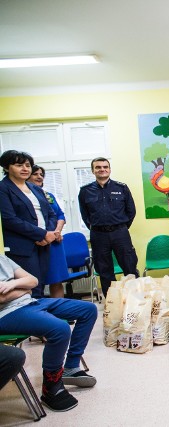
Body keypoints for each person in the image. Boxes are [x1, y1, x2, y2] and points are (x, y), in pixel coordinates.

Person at [0, 254, 98, 412]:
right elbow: (3, 298)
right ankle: (51, 389)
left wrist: (14, 285)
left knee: (88, 310)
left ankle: (71, 367)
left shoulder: (2, 258)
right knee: (59, 329)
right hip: (6, 314)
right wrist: (23, 290)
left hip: (31, 302)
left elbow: (33, 281)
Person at [0, 150, 57, 298]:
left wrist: (49, 234)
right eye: (19, 165)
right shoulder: (3, 188)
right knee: (31, 288)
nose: (25, 169)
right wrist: (42, 234)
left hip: (44, 243)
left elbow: (50, 214)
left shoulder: (35, 188)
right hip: (22, 246)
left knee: (41, 283)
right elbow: (9, 219)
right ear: (6, 167)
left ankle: (42, 317)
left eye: (27, 165)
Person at [78, 157, 139, 297]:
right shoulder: (85, 191)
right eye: (98, 167)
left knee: (129, 266)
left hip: (120, 233)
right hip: (98, 235)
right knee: (104, 270)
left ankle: (135, 300)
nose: (102, 169)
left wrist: (121, 226)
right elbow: (85, 215)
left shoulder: (121, 188)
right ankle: (111, 303)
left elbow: (131, 211)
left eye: (105, 167)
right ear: (93, 171)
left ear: (110, 169)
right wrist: (96, 228)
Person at [28, 165, 66, 298]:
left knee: (56, 280)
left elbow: (60, 215)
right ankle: (43, 316)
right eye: (35, 174)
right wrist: (43, 235)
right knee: (37, 282)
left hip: (54, 241)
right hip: (36, 242)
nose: (39, 177)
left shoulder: (48, 195)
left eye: (41, 174)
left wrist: (57, 231)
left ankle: (61, 316)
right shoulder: (23, 196)